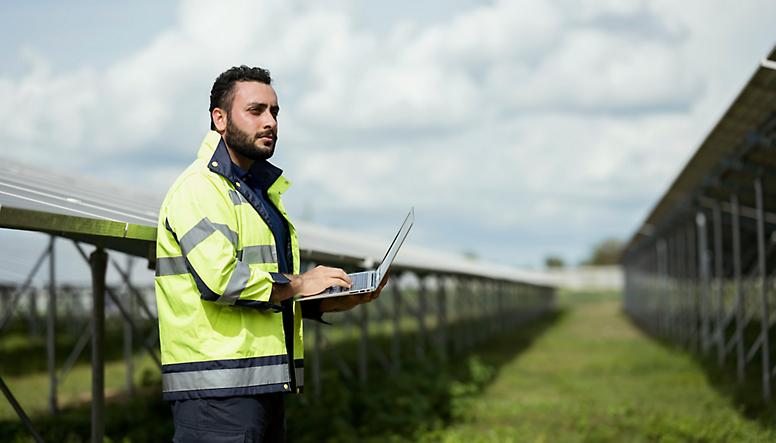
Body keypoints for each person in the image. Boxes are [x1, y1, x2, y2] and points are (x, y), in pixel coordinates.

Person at [154, 65, 386, 442]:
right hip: (217, 395)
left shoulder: (258, 193)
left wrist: (323, 301)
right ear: (220, 119)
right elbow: (224, 282)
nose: (270, 122)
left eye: (275, 112)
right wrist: (300, 284)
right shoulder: (199, 188)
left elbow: (267, 293)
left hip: (261, 385)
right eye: (255, 110)